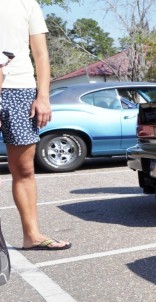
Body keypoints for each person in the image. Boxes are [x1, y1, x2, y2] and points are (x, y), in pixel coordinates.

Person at [0, 0, 71, 250]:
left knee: (25, 169)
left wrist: (43, 96)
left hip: (20, 90)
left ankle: (32, 235)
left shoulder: (26, 3)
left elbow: (40, 53)